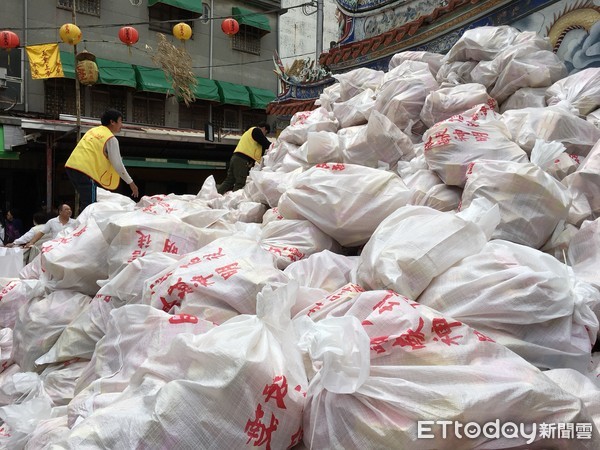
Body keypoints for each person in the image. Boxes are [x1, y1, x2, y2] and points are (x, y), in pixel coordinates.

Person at [64, 108, 139, 213]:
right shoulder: (110, 138)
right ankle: (86, 228)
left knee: (87, 201)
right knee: (90, 205)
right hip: (86, 171)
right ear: (112, 122)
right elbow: (117, 164)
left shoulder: (93, 131)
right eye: (120, 121)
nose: (121, 124)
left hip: (72, 167)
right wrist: (131, 183)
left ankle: (82, 226)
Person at [217, 123, 271, 194]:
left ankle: (215, 195)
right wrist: (274, 146)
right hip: (241, 159)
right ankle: (233, 201)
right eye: (266, 133)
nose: (264, 135)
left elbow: (256, 150)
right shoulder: (256, 131)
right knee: (240, 183)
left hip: (236, 157)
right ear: (264, 129)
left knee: (229, 180)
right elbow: (266, 143)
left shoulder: (249, 133)